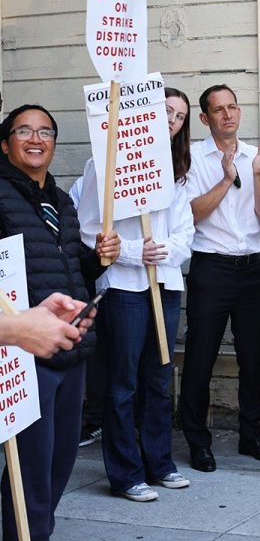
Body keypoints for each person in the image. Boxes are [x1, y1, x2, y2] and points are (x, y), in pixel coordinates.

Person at [0, 105, 120, 539]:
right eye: (24, 131)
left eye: (45, 131)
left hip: (71, 349)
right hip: (24, 352)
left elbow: (69, 270)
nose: (36, 139)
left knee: (59, 462)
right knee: (29, 467)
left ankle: (38, 530)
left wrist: (97, 260)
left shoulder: (62, 200)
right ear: (5, 142)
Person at [79, 87, 195, 502]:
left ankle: (158, 462)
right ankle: (126, 474)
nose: (172, 120)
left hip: (165, 284)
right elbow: (89, 227)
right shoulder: (105, 165)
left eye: (180, 116)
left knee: (158, 377)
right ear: (147, 112)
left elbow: (186, 231)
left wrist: (164, 251)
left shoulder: (179, 171)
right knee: (123, 381)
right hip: (126, 288)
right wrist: (133, 252)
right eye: (166, 110)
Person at [181, 84, 260, 472]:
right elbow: (189, 214)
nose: (228, 115)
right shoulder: (192, 159)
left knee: (253, 358)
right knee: (200, 359)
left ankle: (251, 437)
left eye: (233, 107)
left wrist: (256, 175)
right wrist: (225, 180)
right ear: (205, 118)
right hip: (211, 267)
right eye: (218, 110)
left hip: (251, 267)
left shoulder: (258, 156)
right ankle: (197, 442)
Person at [70, 175, 106, 448]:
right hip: (94, 275)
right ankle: (95, 419)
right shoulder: (87, 180)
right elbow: (78, 229)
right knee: (96, 350)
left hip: (137, 279)